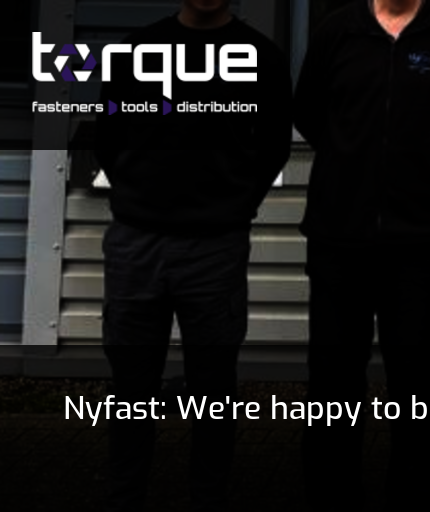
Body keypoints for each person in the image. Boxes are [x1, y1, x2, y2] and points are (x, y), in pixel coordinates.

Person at [93, 0, 293, 510]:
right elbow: (105, 134)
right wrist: (139, 193)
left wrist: (234, 204)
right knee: (131, 384)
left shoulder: (260, 57)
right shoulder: (137, 50)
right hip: (137, 243)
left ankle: (208, 496)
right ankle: (124, 496)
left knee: (213, 386)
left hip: (215, 248)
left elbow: (274, 145)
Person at [292, 0, 430, 510]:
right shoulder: (337, 30)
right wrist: (354, 161)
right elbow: (309, 111)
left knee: (416, 382)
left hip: (421, 245)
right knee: (333, 381)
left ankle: (411, 497)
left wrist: (426, 176)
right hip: (339, 240)